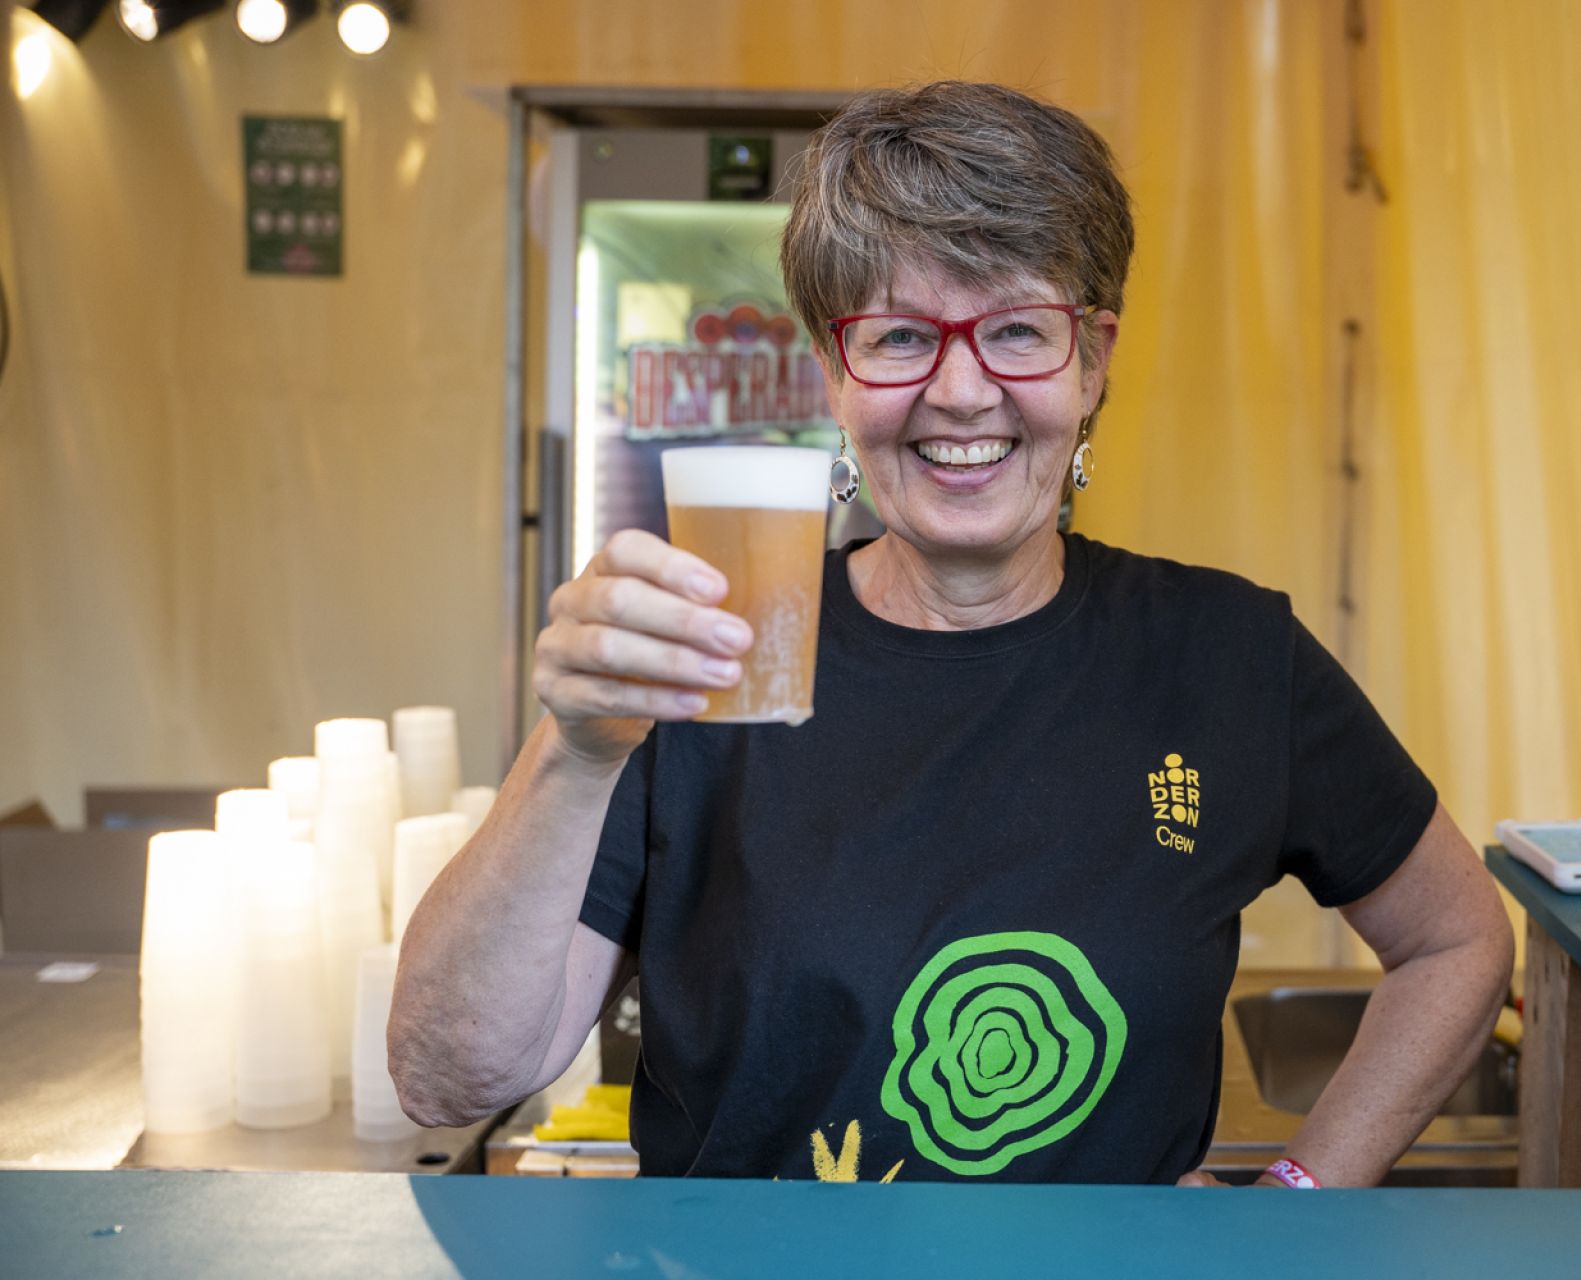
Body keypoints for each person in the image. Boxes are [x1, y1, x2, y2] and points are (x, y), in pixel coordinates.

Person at [390, 81, 1513, 1188]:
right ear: (834, 372)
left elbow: (1457, 942)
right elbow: (450, 1077)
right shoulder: (708, 656)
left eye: (1018, 330)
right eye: (900, 337)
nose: (962, 391)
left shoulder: (1228, 656)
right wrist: (576, 750)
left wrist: (1297, 1202)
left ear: (1094, 362)